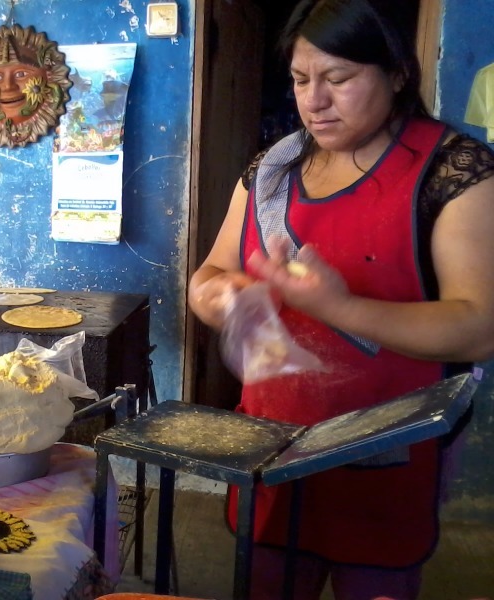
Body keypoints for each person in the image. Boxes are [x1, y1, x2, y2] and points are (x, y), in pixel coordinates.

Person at [187, 0, 494, 598]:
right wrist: (220, 299)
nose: (314, 101)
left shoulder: (451, 170)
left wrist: (339, 308)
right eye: (302, 80)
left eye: (340, 79)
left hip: (388, 453)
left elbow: (478, 325)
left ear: (397, 75)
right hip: (273, 444)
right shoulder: (272, 171)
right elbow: (210, 273)